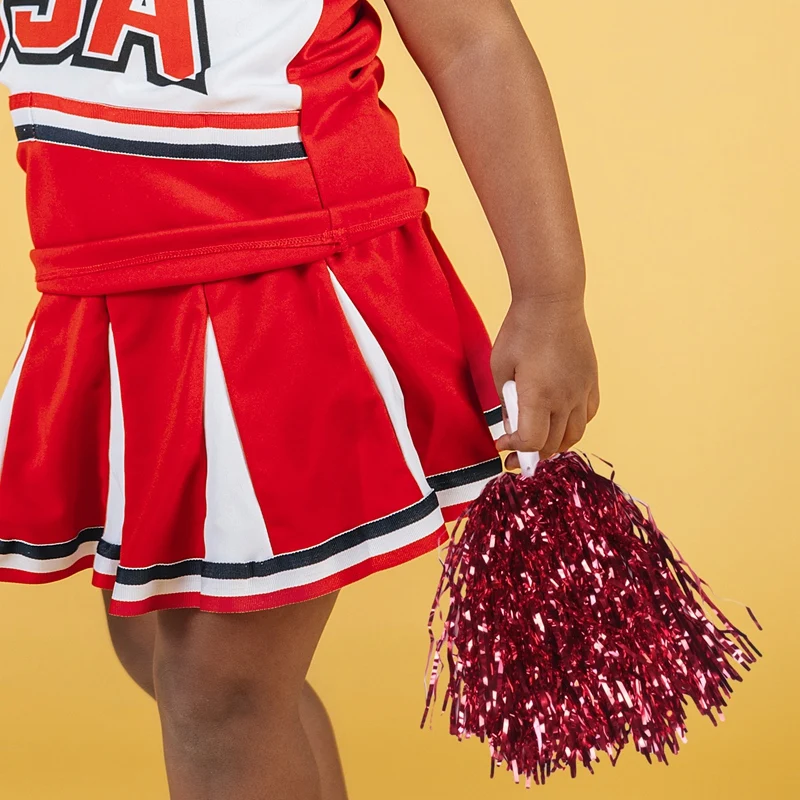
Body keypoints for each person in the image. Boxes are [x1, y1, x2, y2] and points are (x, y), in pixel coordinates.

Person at [0, 0, 599, 798]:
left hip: (287, 288)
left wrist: (550, 295)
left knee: (217, 689)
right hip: (106, 293)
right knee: (171, 652)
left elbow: (473, 43)